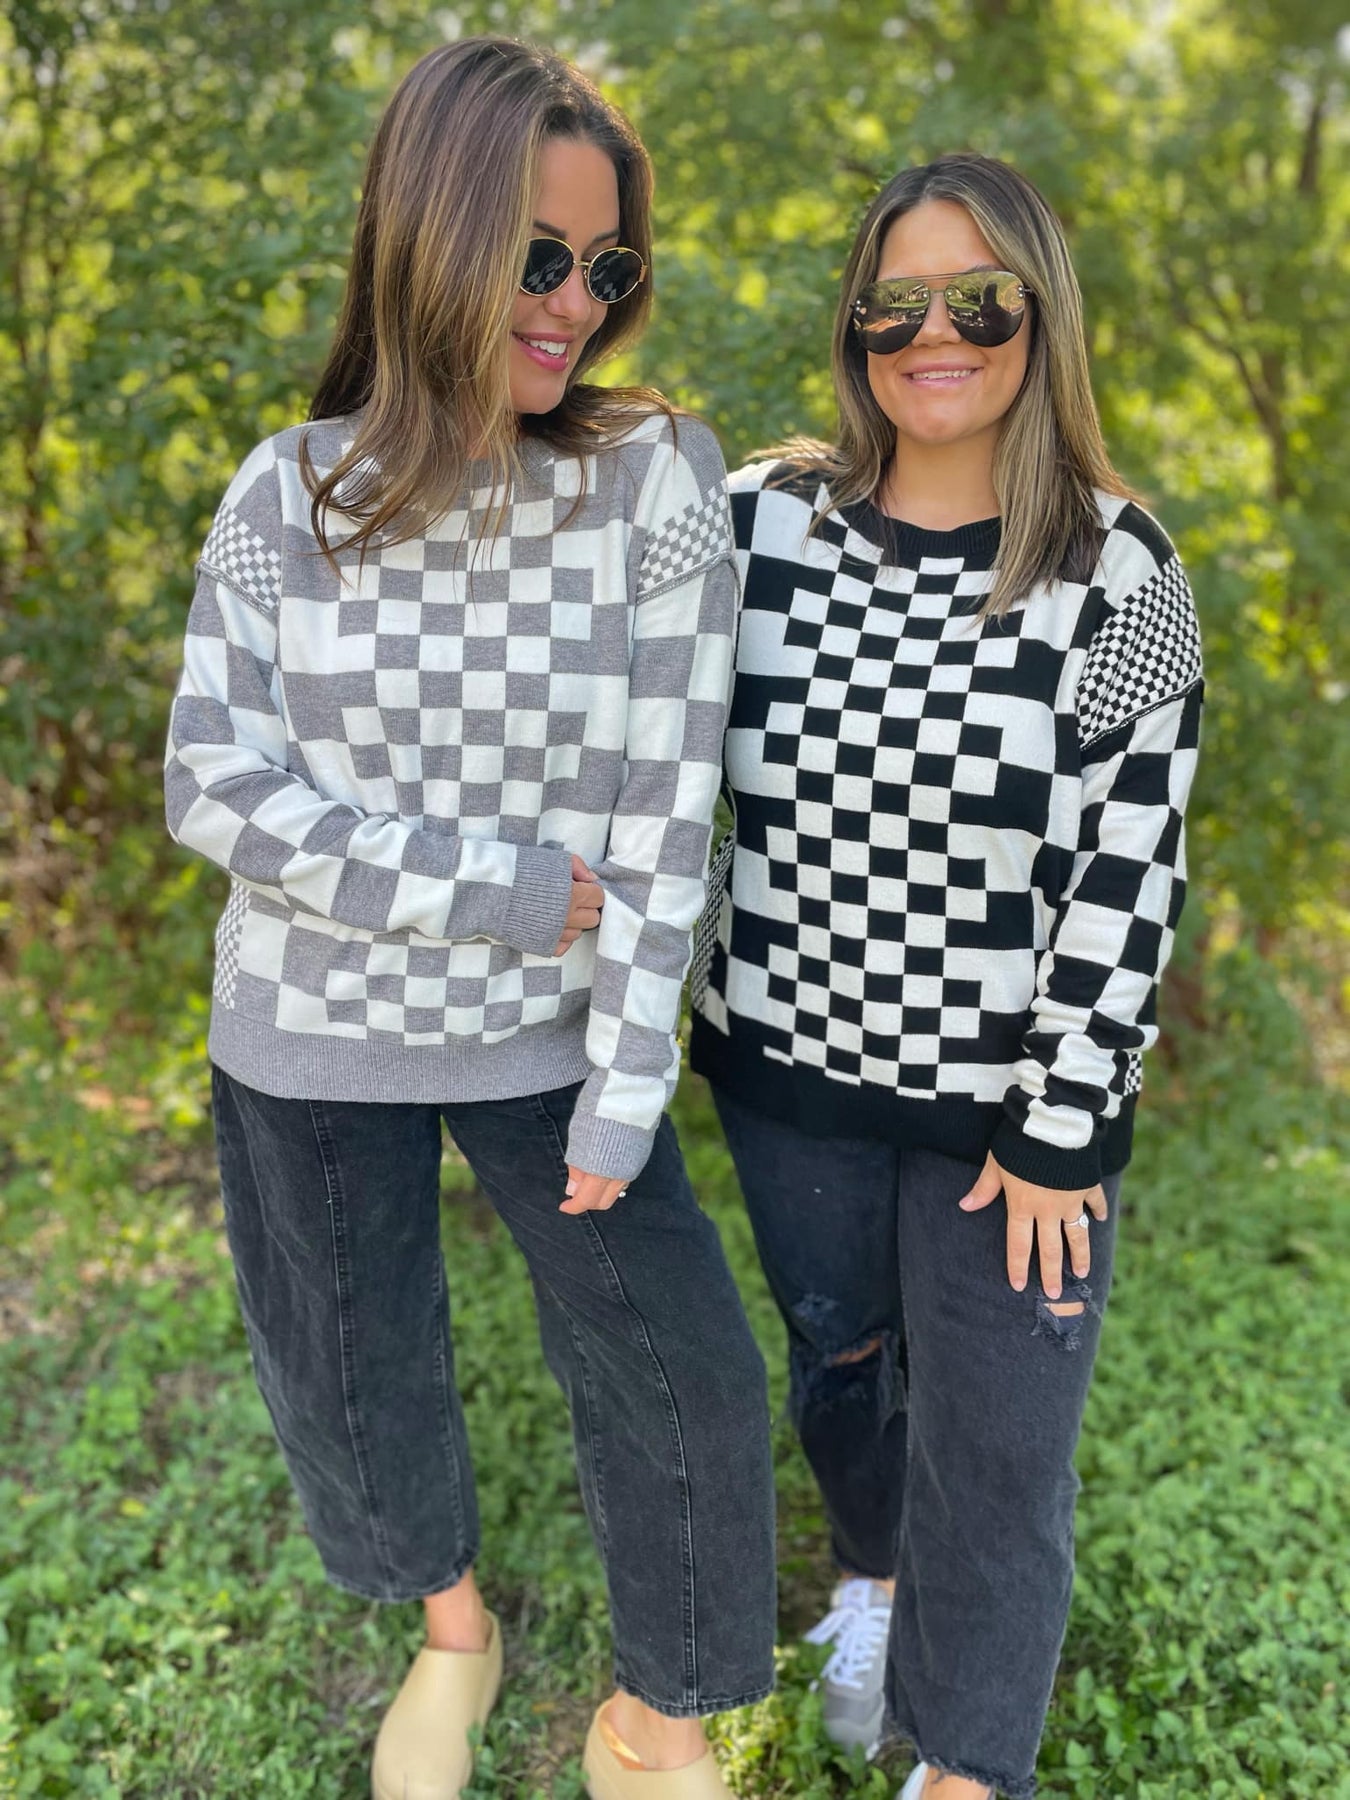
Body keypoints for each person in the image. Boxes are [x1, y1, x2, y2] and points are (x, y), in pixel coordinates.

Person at [164, 36, 776, 1800]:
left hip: (553, 1039)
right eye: (537, 257)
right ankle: (453, 1633)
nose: (576, 304)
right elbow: (212, 783)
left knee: (684, 1378)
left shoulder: (654, 482)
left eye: (607, 267)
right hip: (305, 1031)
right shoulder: (288, 493)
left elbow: (669, 798)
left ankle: (657, 1721)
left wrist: (625, 1079)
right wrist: (492, 889)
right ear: (428, 236)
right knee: (351, 1370)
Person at [689, 153, 1202, 1800]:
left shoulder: (1117, 569)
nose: (934, 335)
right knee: (840, 1365)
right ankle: (872, 1575)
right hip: (789, 1069)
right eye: (892, 302)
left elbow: (1129, 867)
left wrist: (1060, 1126)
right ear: (852, 327)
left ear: (1040, 318)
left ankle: (968, 1765)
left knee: (998, 1446)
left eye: (979, 300)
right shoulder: (759, 523)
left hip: (1006, 1118)